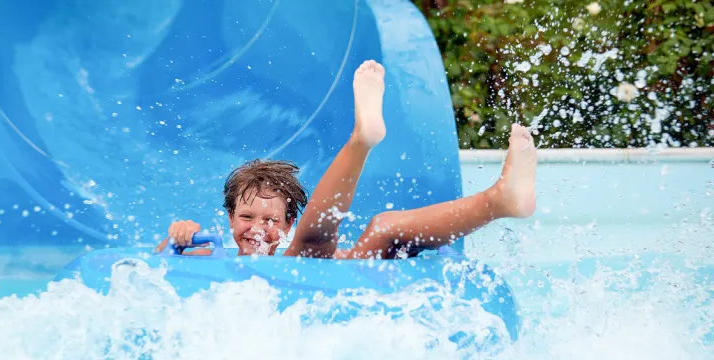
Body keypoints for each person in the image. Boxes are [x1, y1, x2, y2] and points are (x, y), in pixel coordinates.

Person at [155, 60, 536, 260]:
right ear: (229, 218)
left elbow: (323, 250)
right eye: (247, 217)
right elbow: (158, 265)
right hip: (310, 266)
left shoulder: (295, 250)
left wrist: (344, 256)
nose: (257, 228)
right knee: (347, 235)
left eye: (271, 220)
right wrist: (177, 236)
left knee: (367, 231)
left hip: (313, 269)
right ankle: (498, 200)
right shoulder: (211, 254)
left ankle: (498, 199)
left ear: (288, 224)